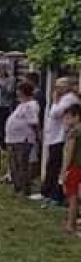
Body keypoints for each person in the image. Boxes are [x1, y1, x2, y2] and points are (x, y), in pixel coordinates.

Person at [39, 77, 81, 206]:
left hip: (60, 137)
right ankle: (48, 192)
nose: (56, 89)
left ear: (66, 86)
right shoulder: (63, 98)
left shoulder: (69, 99)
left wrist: (55, 101)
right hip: (55, 136)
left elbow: (54, 113)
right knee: (52, 164)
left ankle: (54, 194)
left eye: (58, 86)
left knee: (55, 165)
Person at [5, 81, 40, 196]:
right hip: (13, 139)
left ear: (23, 91)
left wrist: (36, 136)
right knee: (13, 164)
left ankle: (25, 189)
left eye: (18, 90)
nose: (16, 92)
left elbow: (34, 122)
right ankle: (17, 186)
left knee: (22, 164)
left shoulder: (31, 105)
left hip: (23, 139)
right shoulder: (21, 105)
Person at [60, 103, 81, 234]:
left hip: (75, 167)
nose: (65, 120)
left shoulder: (74, 132)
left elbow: (69, 153)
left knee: (72, 197)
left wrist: (63, 172)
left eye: (68, 117)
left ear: (77, 117)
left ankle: (70, 225)